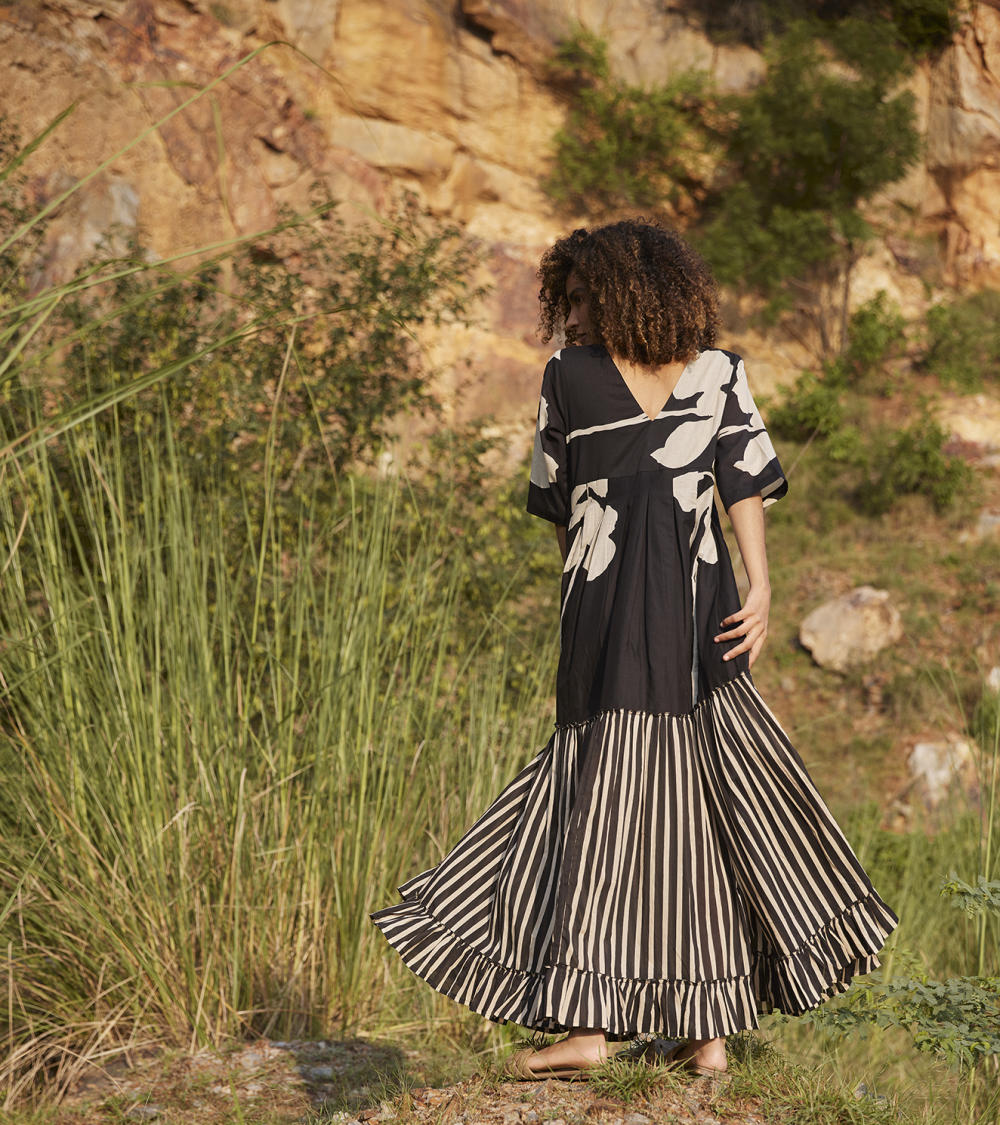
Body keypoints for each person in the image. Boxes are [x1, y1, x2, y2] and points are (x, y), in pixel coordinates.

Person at [369, 219, 897, 1082]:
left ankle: (640, 1029)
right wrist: (744, 580)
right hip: (658, 619)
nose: (571, 317)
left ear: (627, 293)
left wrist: (760, 586)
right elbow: (704, 487)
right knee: (664, 807)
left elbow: (636, 501)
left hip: (656, 620)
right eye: (567, 302)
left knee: (643, 806)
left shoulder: (653, 374)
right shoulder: (636, 374)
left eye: (582, 299)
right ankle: (671, 1032)